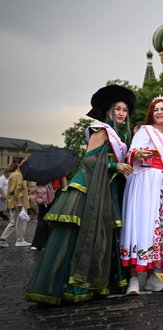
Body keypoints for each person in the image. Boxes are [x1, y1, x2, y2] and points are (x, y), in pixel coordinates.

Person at [24, 85, 136, 305]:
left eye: (124, 109)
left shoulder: (118, 134)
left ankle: (96, 283)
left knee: (100, 235)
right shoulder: (100, 129)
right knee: (80, 236)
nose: (122, 113)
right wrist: (117, 167)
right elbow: (90, 160)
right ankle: (70, 287)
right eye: (117, 109)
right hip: (89, 187)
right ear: (107, 111)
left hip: (105, 189)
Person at [120, 96, 163, 295]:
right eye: (156, 110)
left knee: (158, 228)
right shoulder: (144, 130)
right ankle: (134, 279)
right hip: (143, 182)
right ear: (151, 113)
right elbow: (130, 153)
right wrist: (138, 154)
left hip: (161, 187)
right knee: (140, 226)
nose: (159, 112)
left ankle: (153, 276)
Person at [0, 157, 30, 247]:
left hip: (14, 201)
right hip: (18, 202)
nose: (26, 164)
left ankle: (3, 239)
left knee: (13, 222)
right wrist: (20, 202)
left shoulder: (14, 174)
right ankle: (19, 240)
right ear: (18, 164)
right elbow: (17, 191)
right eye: (24, 163)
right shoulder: (17, 175)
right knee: (20, 222)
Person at [30, 177, 66, 251]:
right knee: (52, 220)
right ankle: (49, 243)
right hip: (55, 194)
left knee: (41, 220)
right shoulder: (59, 169)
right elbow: (64, 185)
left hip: (43, 195)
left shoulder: (41, 168)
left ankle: (37, 244)